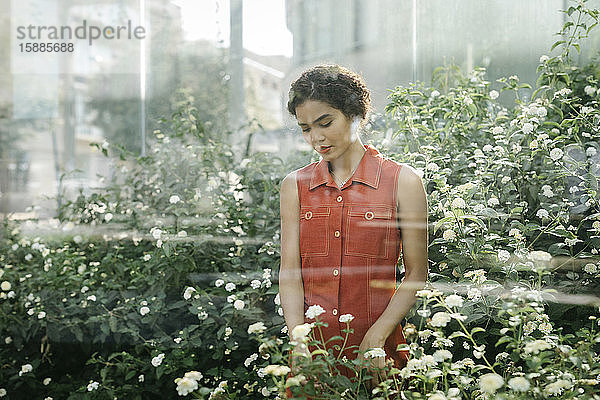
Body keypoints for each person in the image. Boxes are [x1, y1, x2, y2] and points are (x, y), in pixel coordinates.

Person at [279, 64, 428, 393]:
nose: (316, 137)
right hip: (312, 358)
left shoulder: (403, 181)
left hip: (379, 354)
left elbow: (417, 273)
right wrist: (298, 342)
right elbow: (289, 273)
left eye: (325, 122)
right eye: (305, 128)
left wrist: (377, 337)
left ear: (355, 115)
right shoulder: (295, 186)